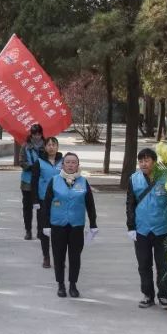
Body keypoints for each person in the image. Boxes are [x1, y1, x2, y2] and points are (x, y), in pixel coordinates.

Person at [41, 152, 97, 298]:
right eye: (68, 162)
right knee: (58, 256)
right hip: (58, 225)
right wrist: (46, 225)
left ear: (78, 165)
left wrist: (93, 224)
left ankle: (73, 284)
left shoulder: (83, 182)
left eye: (74, 162)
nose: (71, 165)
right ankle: (60, 284)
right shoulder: (54, 181)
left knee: (75, 257)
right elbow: (46, 205)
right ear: (63, 164)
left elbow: (90, 205)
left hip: (76, 225)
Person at [126, 147, 167, 309]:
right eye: (141, 161)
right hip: (141, 229)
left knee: (163, 264)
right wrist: (130, 226)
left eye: (146, 160)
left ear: (154, 161)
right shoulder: (134, 179)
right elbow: (130, 203)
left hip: (163, 229)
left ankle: (164, 295)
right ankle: (147, 295)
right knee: (144, 264)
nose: (143, 164)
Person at [30, 137, 64, 269]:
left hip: (60, 200)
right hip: (44, 200)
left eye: (53, 144)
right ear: (45, 147)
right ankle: (46, 256)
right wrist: (35, 200)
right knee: (44, 229)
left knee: (59, 230)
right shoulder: (39, 162)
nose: (51, 147)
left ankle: (58, 257)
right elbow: (34, 182)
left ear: (57, 146)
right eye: (48, 145)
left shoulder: (63, 161)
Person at [19, 124, 47, 240]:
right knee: (27, 207)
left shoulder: (46, 145)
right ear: (31, 134)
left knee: (41, 207)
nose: (37, 136)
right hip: (27, 182)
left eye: (39, 134)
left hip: (42, 181)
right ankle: (28, 230)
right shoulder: (25, 146)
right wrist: (31, 167)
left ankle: (40, 230)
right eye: (34, 134)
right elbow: (21, 161)